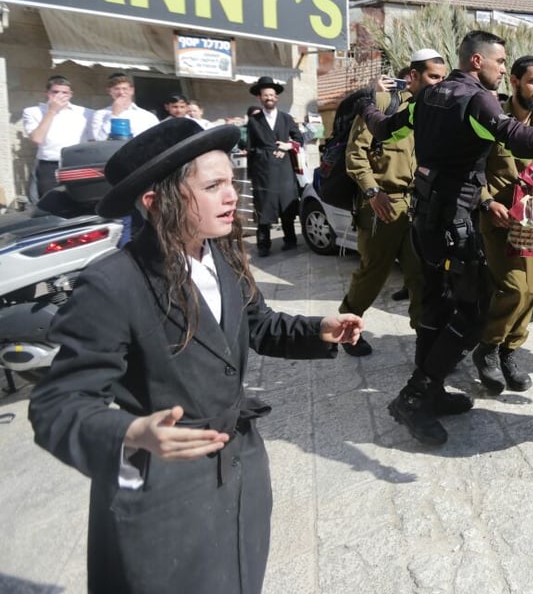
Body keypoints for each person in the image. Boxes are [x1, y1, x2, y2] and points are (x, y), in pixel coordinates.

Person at [28, 118, 362, 594]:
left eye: (231, 181)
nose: (232, 196)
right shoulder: (113, 284)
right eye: (213, 186)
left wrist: (320, 331)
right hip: (164, 496)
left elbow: (257, 325)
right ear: (156, 201)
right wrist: (130, 433)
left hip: (241, 475)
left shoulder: (223, 256)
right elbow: (55, 406)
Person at [356, 30, 533, 445]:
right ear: (477, 61)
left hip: (428, 219)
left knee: (437, 311)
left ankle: (431, 393)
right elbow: (518, 138)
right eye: (501, 62)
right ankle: (414, 398)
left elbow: (385, 130)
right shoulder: (474, 98)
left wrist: (366, 103)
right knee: (472, 313)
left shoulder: (428, 98)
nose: (503, 69)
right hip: (451, 221)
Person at [338, 49, 447, 359]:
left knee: (419, 276)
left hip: (416, 205)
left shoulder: (432, 111)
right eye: (433, 77)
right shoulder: (383, 104)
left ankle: (425, 344)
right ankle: (347, 328)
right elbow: (355, 155)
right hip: (381, 205)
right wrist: (372, 193)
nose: (438, 84)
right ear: (413, 76)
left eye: (442, 78)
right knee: (373, 274)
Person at [473, 55, 533, 394]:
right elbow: (470, 168)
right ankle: (488, 348)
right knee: (513, 287)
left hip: (532, 220)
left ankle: (510, 351)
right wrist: (486, 201)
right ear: (514, 81)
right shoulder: (490, 116)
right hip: (498, 221)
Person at [244, 76, 302, 258]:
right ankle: (263, 245)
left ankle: (290, 240)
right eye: (265, 95)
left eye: (271, 95)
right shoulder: (254, 121)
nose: (269, 98)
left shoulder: (286, 118)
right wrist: (253, 173)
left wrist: (287, 146)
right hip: (263, 171)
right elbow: (250, 148)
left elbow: (299, 138)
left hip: (284, 169)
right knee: (264, 207)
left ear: (276, 97)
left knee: (286, 205)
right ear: (259, 98)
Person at [21, 74, 91, 202]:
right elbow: (37, 138)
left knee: (80, 201)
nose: (60, 96)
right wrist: (52, 111)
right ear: (47, 93)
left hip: (77, 164)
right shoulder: (32, 112)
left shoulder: (86, 113)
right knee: (51, 203)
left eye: (64, 92)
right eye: (55, 92)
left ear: (71, 94)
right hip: (50, 165)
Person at [89, 72, 159, 141]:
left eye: (124, 89)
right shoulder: (100, 114)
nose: (121, 92)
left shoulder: (147, 116)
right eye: (117, 89)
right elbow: (99, 140)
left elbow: (157, 139)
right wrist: (114, 115)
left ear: (132, 91)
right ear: (110, 92)